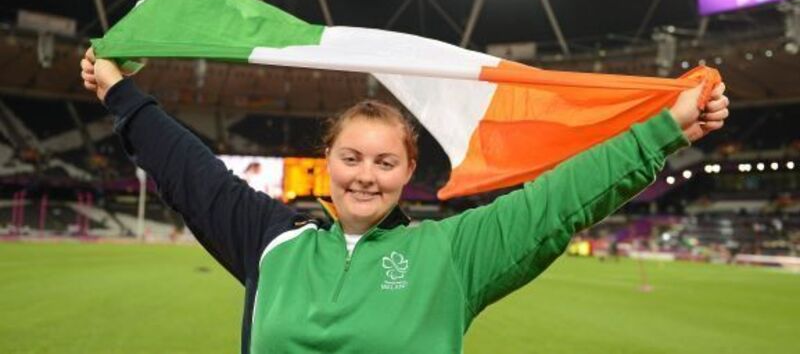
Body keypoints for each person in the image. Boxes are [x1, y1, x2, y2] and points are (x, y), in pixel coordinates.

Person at [81, 48, 729, 353]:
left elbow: (558, 202)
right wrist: (119, 93)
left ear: (409, 170)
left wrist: (664, 130)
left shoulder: (450, 253)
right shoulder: (272, 242)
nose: (365, 176)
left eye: (384, 161)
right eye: (351, 157)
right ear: (328, 161)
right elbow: (192, 172)